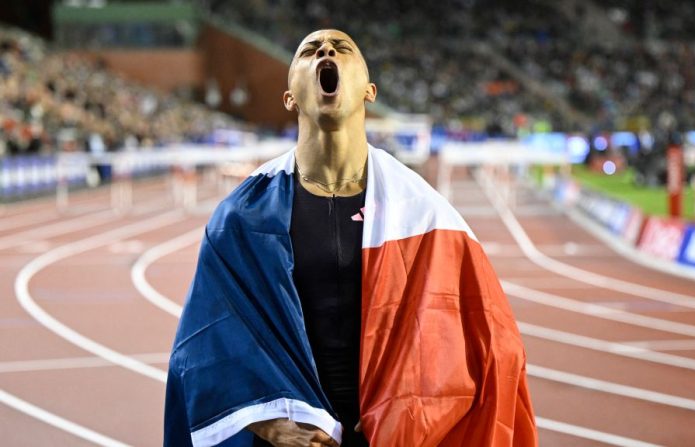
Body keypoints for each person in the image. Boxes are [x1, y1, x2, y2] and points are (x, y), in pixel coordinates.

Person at [164, 29, 537, 447]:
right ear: (290, 96)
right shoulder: (241, 217)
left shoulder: (423, 213)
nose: (326, 50)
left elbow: (485, 342)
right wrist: (271, 424)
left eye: (342, 49)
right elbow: (204, 347)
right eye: (310, 50)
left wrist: (410, 410)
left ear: (370, 91)